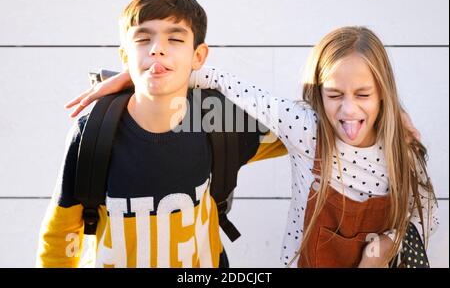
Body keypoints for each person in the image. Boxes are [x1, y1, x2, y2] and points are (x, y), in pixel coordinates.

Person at [79, 26, 438, 268]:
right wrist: (140, 78)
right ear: (317, 95)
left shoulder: (402, 149)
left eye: (363, 95)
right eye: (334, 95)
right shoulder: (307, 127)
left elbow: (427, 218)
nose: (348, 109)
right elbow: (220, 81)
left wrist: (384, 246)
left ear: (384, 94)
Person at [36, 0, 285, 268]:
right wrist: (157, 72)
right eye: (143, 39)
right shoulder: (93, 133)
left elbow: (300, 129)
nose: (157, 48)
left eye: (175, 39)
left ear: (199, 56)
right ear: (125, 56)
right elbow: (59, 237)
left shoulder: (213, 119)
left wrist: (192, 77)